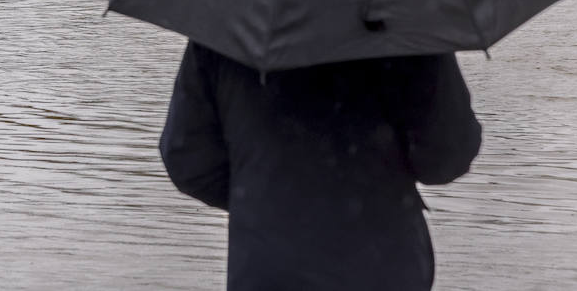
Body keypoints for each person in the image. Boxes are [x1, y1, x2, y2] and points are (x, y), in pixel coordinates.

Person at [160, 42, 482, 291]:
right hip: (384, 264)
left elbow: (187, 157)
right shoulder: (407, 21)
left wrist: (263, 199)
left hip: (269, 267)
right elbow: (448, 156)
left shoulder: (229, 24)